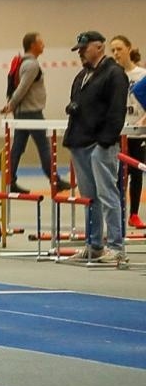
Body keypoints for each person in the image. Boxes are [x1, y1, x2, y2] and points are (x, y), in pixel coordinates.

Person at [62, 31, 128, 267]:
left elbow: (116, 111)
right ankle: (94, 245)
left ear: (99, 47)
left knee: (108, 195)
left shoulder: (114, 74)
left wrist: (105, 142)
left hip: (101, 145)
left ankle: (116, 247)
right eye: (79, 49)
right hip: (80, 143)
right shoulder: (82, 76)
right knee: (89, 199)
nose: (80, 52)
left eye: (84, 48)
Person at [0, 32, 61, 194]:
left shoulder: (23, 63)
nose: (43, 45)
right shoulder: (31, 65)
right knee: (44, 147)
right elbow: (22, 88)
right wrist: (11, 105)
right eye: (41, 42)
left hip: (23, 112)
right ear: (32, 45)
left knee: (18, 148)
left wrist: (12, 105)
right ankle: (54, 179)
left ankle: (10, 180)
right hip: (31, 113)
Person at [108, 36, 145, 230]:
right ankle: (117, 214)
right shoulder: (111, 74)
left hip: (137, 131)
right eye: (112, 50)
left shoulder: (141, 74)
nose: (116, 53)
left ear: (128, 49)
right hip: (117, 132)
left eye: (119, 49)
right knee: (116, 174)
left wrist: (143, 120)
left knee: (136, 173)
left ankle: (134, 214)